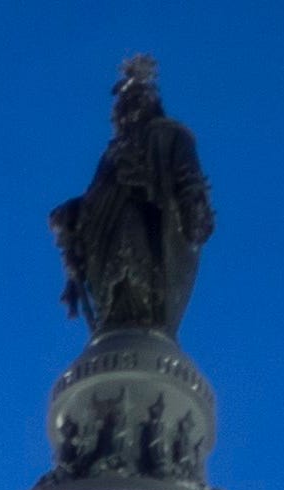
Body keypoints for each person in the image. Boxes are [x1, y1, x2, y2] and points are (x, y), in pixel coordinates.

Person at [50, 57, 214, 338]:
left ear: (149, 102)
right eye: (121, 105)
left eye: (133, 100)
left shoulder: (169, 135)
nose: (124, 110)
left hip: (144, 219)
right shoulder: (110, 154)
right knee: (110, 291)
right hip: (103, 229)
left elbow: (188, 179)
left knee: (136, 274)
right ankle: (115, 329)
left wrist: (193, 207)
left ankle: (141, 323)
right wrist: (72, 212)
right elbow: (96, 194)